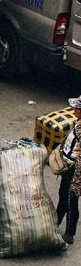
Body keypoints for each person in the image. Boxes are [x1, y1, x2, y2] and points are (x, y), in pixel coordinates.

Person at [57, 96, 81, 245]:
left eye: (77, 108)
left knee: (71, 200)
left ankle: (69, 234)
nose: (74, 110)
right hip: (68, 167)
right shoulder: (78, 123)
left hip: (75, 170)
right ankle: (55, 222)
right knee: (63, 195)